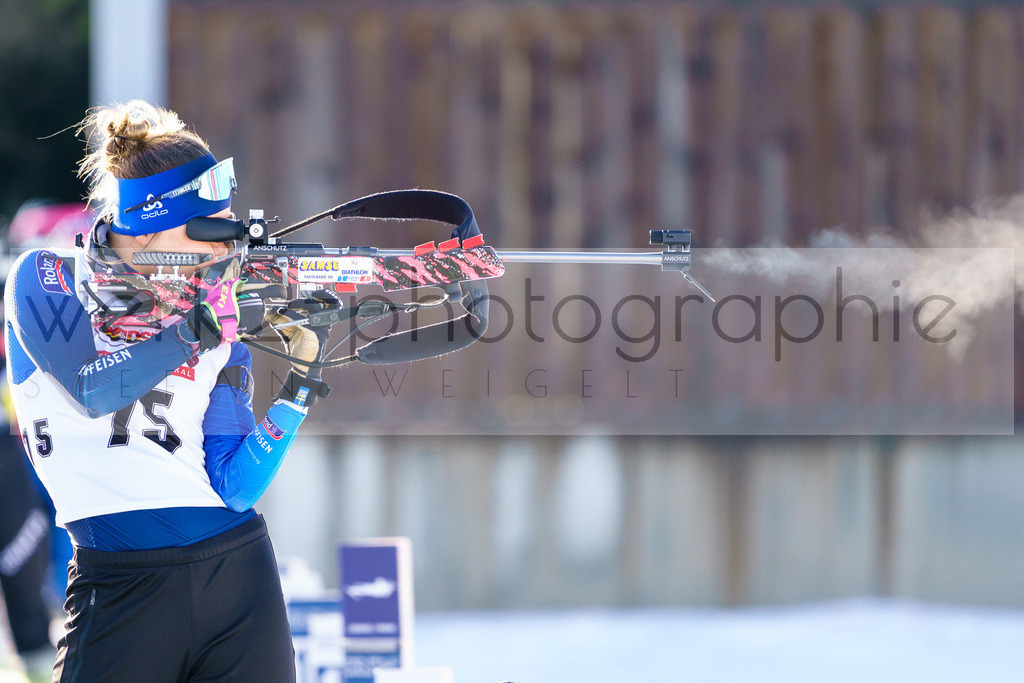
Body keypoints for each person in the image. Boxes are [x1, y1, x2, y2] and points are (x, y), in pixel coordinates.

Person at [3, 100, 334, 682]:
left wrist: (299, 387)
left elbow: (234, 486)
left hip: (238, 578)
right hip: (119, 583)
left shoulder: (210, 310)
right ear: (150, 224)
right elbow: (93, 389)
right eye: (208, 230)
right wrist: (198, 329)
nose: (220, 249)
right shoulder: (48, 278)